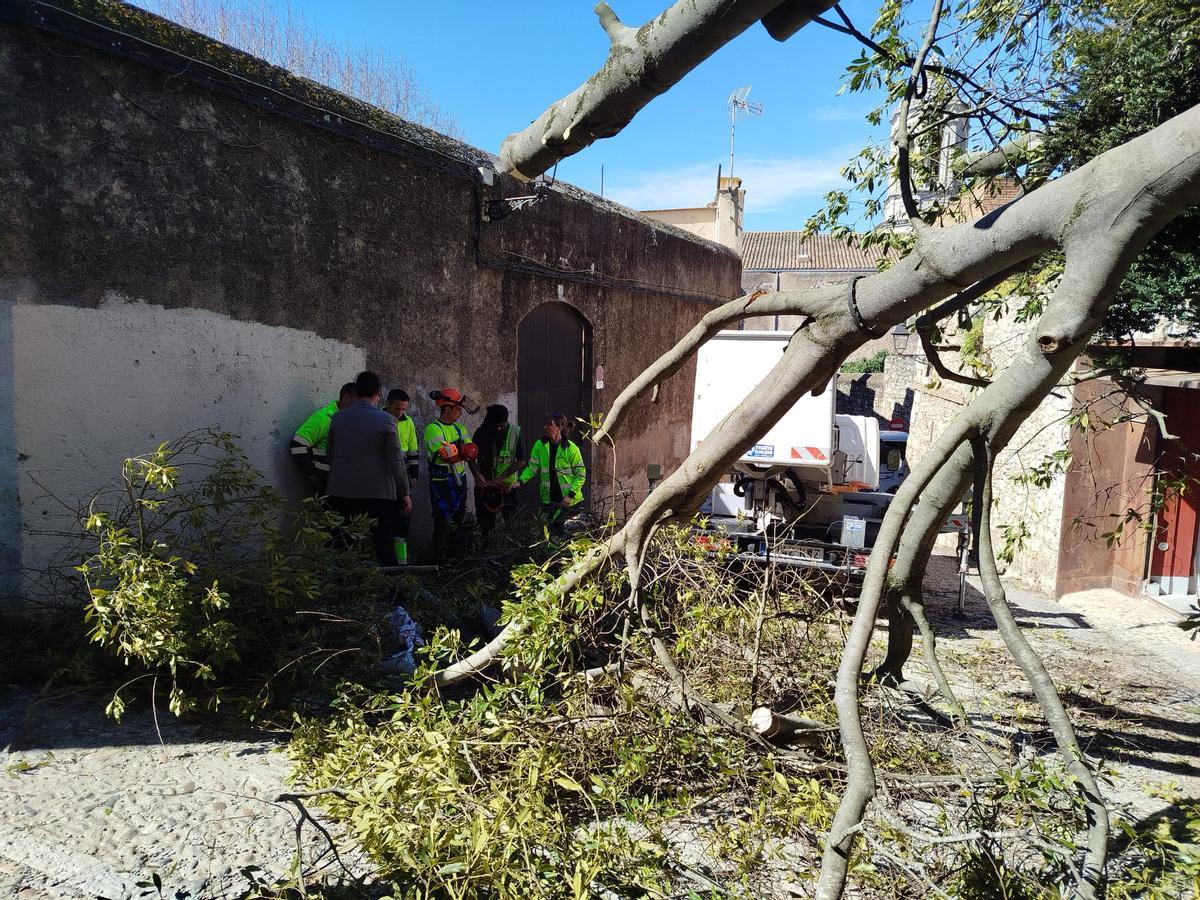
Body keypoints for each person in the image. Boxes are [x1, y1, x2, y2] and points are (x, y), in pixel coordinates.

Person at [326, 371, 411, 566]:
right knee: (384, 546)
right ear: (378, 393)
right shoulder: (386, 420)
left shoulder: (338, 418)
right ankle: (395, 593)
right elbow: (396, 460)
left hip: (341, 492)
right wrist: (404, 493)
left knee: (340, 544)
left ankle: (339, 590)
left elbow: (330, 455)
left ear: (356, 392)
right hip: (377, 494)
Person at [423, 388, 480, 563]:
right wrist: (464, 451)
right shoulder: (433, 429)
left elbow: (473, 451)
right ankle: (438, 561)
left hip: (459, 482)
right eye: (457, 409)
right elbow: (447, 457)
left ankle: (454, 558)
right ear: (446, 408)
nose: (460, 412)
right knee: (443, 523)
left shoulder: (459, 428)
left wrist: (460, 451)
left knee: (458, 520)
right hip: (441, 484)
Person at [515, 412, 586, 532]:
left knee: (565, 534)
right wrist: (519, 481)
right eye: (545, 424)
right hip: (548, 501)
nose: (545, 427)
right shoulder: (540, 446)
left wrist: (570, 496)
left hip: (569, 502)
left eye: (549, 425)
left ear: (559, 427)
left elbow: (580, 475)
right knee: (547, 532)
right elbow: (532, 468)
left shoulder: (571, 449)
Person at [289, 382, 356, 492]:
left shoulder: (351, 419)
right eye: (357, 403)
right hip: (327, 486)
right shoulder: (324, 418)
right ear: (346, 398)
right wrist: (313, 474)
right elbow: (297, 444)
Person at [473, 404, 525, 538]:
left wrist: (501, 478)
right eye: (496, 426)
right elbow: (471, 459)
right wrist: (476, 475)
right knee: (485, 527)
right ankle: (485, 549)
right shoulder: (481, 432)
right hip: (485, 488)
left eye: (502, 425)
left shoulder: (516, 432)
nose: (499, 428)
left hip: (507, 488)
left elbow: (521, 461)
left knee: (513, 525)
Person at [383, 388, 419, 565]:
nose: (401, 413)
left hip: (402, 478)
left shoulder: (408, 422)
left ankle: (401, 562)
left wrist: (414, 475)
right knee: (385, 521)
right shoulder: (380, 419)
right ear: (388, 404)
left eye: (404, 409)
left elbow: (413, 450)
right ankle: (386, 562)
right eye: (397, 409)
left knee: (403, 521)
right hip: (383, 478)